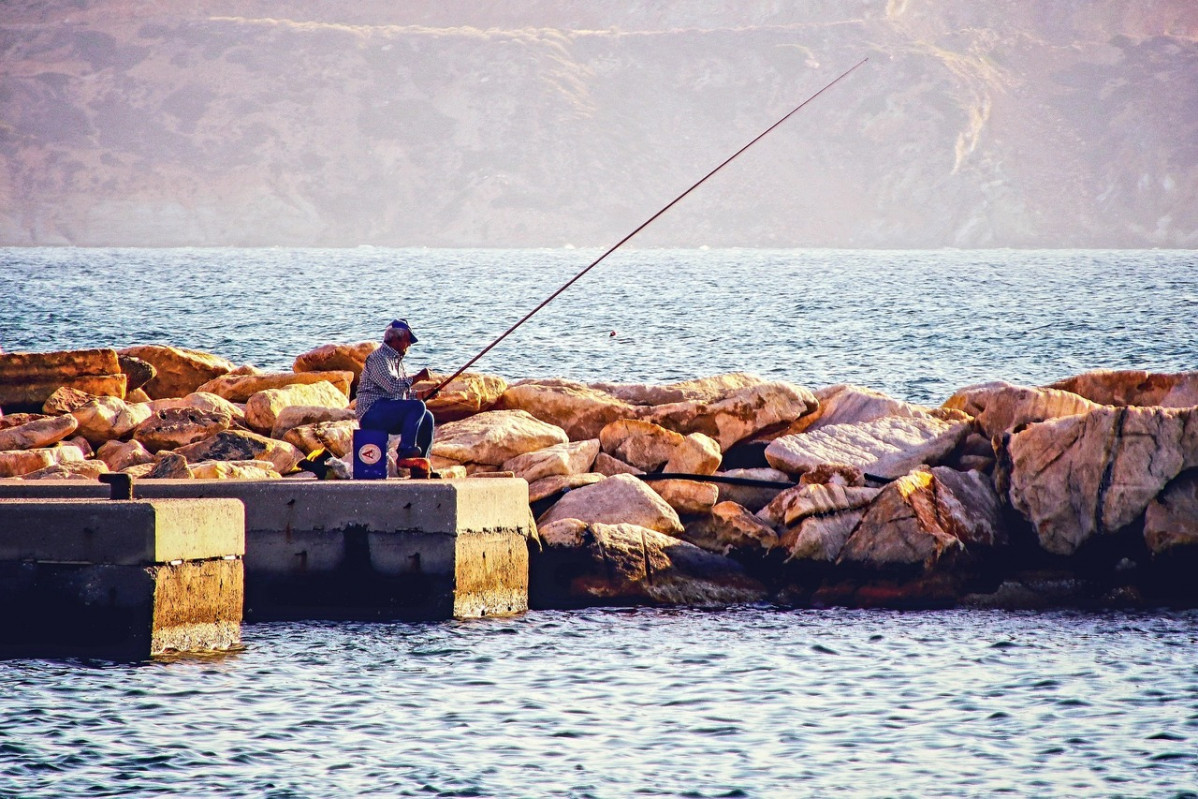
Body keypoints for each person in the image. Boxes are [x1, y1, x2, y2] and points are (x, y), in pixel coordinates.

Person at [356, 319, 435, 460]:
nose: (409, 344)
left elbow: (403, 394)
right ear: (396, 339)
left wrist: (423, 394)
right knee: (418, 407)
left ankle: (421, 463)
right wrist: (418, 377)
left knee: (427, 417)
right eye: (408, 340)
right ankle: (405, 449)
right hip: (371, 412)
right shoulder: (378, 358)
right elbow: (392, 386)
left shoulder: (397, 361)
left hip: (387, 411)